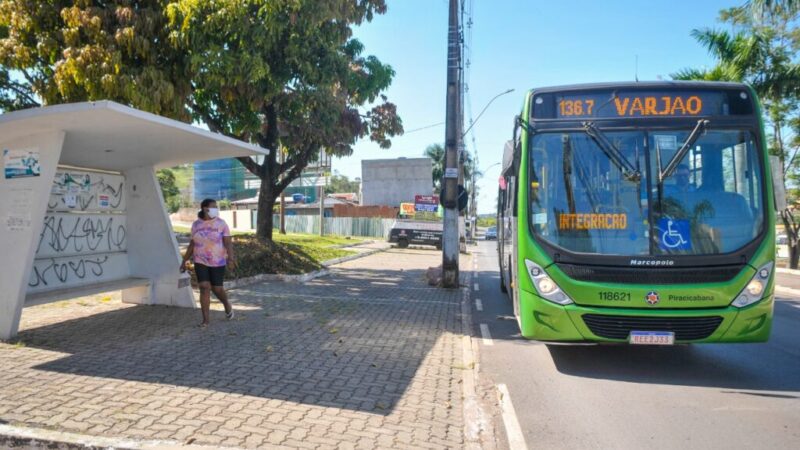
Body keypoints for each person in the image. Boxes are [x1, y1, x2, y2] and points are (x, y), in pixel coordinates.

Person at [180, 198, 237, 327]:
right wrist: (184, 260)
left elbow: (228, 242)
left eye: (216, 207)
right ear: (205, 209)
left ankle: (226, 304)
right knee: (204, 287)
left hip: (218, 261)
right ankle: (205, 321)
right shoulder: (196, 225)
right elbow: (192, 243)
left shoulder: (221, 224)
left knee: (217, 289)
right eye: (213, 206)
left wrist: (231, 258)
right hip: (200, 260)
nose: (216, 209)